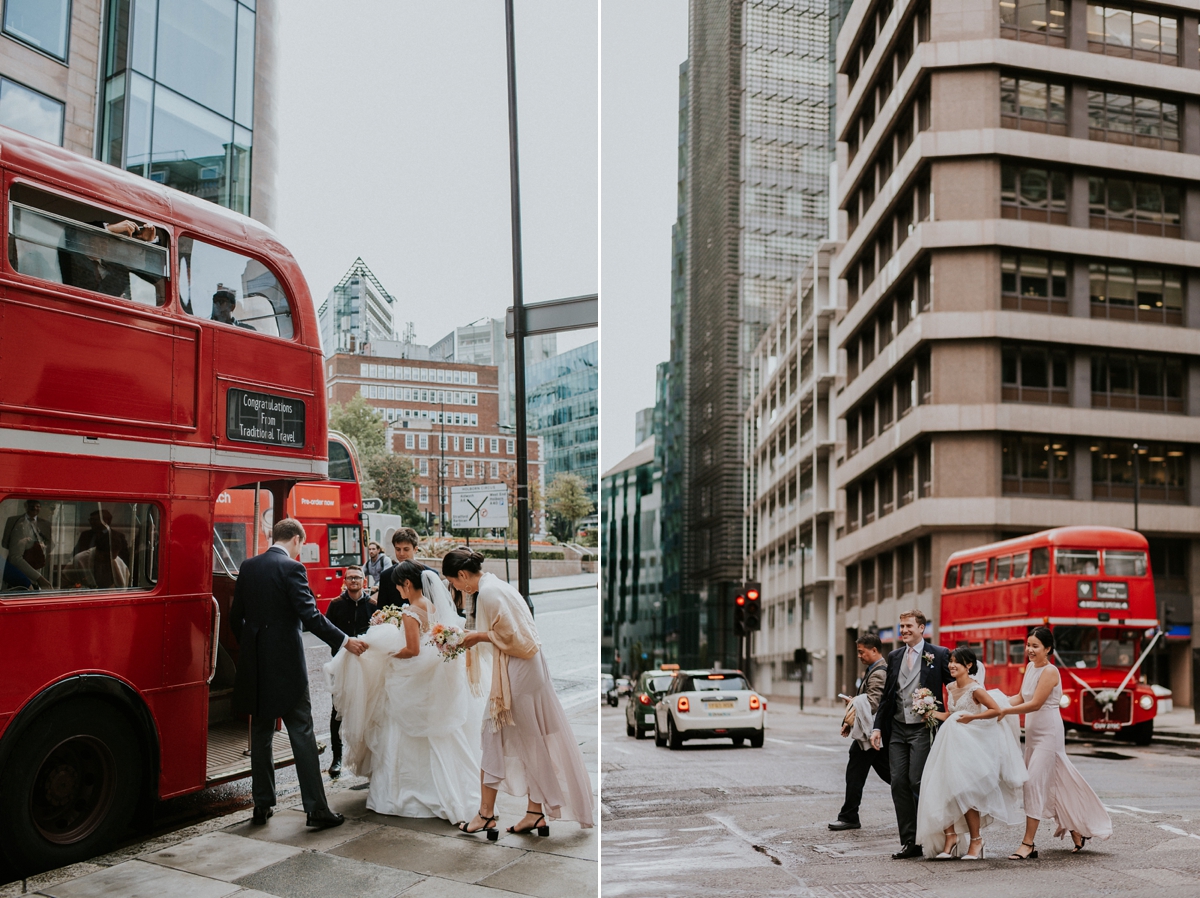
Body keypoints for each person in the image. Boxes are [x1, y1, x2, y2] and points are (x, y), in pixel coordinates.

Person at [444, 548, 594, 838]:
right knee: (531, 742)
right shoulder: (495, 584)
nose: (455, 588)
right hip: (528, 667)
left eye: (453, 582)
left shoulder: (488, 593)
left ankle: (487, 815)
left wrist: (476, 636)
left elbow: (513, 637)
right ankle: (534, 813)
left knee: (494, 737)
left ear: (462, 576)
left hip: (520, 670)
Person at [230, 518, 368, 829]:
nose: (300, 550)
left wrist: (252, 649)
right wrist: (346, 641)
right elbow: (310, 615)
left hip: (256, 665)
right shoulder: (292, 569)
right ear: (295, 539)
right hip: (287, 665)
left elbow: (235, 617)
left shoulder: (249, 566)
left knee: (262, 735)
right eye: (301, 545)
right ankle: (316, 810)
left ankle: (262, 806)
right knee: (302, 733)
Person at [324, 561, 483, 823]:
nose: (397, 590)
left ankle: (402, 793)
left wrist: (387, 654)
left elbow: (412, 649)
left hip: (409, 678)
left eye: (398, 585)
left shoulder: (410, 611)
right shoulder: (431, 607)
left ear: (407, 584)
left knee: (398, 731)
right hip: (427, 680)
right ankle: (448, 789)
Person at [1000, 627, 1112, 859]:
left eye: (1035, 646)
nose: (1029, 650)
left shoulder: (1050, 672)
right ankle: (1076, 826)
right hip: (1032, 736)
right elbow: (1022, 697)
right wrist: (994, 702)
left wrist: (1005, 710)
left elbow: (1035, 704)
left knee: (1032, 784)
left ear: (1048, 649)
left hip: (1048, 734)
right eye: (1028, 645)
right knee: (1056, 782)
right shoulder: (1031, 667)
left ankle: (1028, 843)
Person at [915, 647, 1027, 860]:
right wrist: (929, 712)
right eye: (950, 661)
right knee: (942, 789)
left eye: (957, 662)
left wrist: (971, 718)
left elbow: (995, 710)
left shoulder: (975, 690)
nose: (951, 665)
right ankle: (951, 837)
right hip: (948, 742)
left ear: (968, 666)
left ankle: (976, 841)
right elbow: (950, 714)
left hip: (970, 745)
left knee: (966, 792)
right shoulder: (950, 686)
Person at [870, 609, 954, 859]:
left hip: (922, 729)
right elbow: (887, 696)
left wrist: (960, 712)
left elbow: (954, 685)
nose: (904, 630)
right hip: (897, 728)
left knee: (917, 781)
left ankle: (926, 835)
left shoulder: (938, 654)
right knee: (898, 783)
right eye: (901, 626)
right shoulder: (894, 656)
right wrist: (877, 727)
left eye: (908, 626)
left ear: (921, 628)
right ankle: (909, 841)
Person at [829, 634, 891, 831]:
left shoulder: (879, 672)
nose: (859, 656)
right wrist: (849, 719)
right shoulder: (873, 669)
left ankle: (849, 816)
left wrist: (854, 702)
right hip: (870, 733)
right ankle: (849, 815)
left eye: (861, 652)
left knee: (887, 774)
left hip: (872, 734)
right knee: (891, 774)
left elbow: (873, 704)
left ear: (874, 650)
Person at [324, 566, 375, 777]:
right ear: (344, 582)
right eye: (350, 578)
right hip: (340, 663)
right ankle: (337, 757)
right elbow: (326, 630)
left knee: (368, 708)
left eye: (357, 577)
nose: (353, 581)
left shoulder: (372, 605)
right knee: (337, 710)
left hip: (366, 665)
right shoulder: (335, 605)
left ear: (364, 581)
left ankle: (368, 756)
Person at [3, 499, 52, 590]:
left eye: (37, 506)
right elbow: (14, 557)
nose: (34, 509)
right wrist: (39, 578)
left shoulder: (45, 524)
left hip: (39, 573)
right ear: (26, 506)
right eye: (32, 506)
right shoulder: (19, 524)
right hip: (23, 580)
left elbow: (50, 545)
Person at [377, 528, 432, 609]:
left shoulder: (429, 573)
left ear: (415, 549)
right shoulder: (386, 576)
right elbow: (381, 607)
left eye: (406, 549)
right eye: (398, 549)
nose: (401, 553)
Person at [65, 529, 129, 589]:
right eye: (106, 558)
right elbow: (66, 582)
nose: (109, 561)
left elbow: (122, 587)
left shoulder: (118, 563)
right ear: (98, 551)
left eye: (113, 558)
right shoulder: (80, 560)